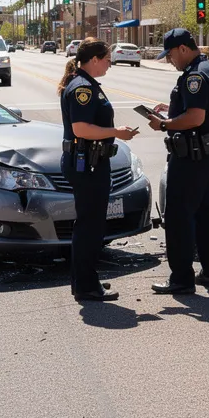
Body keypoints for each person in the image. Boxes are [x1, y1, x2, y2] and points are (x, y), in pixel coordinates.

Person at [58, 39, 139, 302]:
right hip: (87, 164)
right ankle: (86, 286)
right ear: (94, 59)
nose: (109, 64)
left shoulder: (86, 84)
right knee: (90, 226)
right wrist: (117, 132)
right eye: (107, 59)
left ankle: (84, 281)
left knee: (89, 224)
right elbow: (81, 128)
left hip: (89, 162)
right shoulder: (83, 88)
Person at [146, 28, 209, 295]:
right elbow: (193, 110)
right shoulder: (208, 69)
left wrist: (165, 124)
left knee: (179, 216)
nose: (170, 60)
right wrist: (169, 110)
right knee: (205, 214)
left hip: (191, 156)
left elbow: (195, 117)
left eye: (170, 55)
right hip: (206, 154)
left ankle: (181, 278)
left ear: (183, 48)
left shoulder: (195, 76)